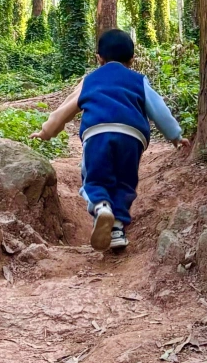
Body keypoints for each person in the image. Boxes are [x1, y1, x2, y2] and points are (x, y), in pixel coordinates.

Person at [36, 28, 189, 253]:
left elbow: (65, 110)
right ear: (132, 59)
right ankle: (116, 230)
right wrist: (175, 136)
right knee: (124, 183)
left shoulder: (90, 80)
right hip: (132, 137)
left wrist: (46, 132)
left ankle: (101, 206)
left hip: (97, 133)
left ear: (99, 57)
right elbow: (158, 109)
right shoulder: (138, 80)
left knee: (95, 178)